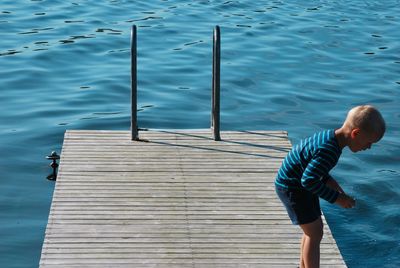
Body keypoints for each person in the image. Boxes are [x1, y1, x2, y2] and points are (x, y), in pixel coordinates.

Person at [275, 105, 386, 268]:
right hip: (293, 187)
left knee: (312, 231)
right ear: (356, 133)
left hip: (296, 184)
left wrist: (337, 189)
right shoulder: (329, 150)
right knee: (314, 232)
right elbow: (309, 180)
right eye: (369, 142)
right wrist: (337, 199)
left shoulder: (331, 139)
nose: (368, 147)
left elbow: (320, 172)